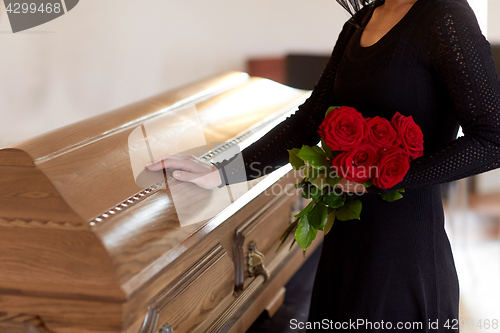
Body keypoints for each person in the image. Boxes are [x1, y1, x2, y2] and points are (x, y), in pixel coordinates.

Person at [146, 0, 500, 331]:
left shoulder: (446, 18)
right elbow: (309, 121)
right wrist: (222, 172)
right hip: (343, 246)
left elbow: (493, 139)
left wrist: (382, 178)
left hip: (404, 253)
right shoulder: (362, 21)